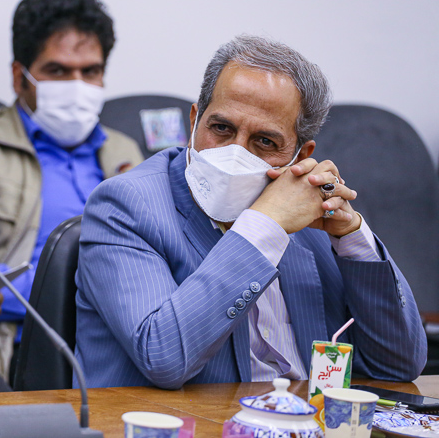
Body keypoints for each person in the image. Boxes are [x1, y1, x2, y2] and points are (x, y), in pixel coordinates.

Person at [75, 35, 427, 389]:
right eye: (221, 128)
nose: (235, 153)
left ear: (300, 156)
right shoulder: (125, 205)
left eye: (265, 141)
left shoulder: (309, 211)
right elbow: (163, 357)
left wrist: (352, 238)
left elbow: (397, 364)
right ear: (195, 121)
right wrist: (265, 225)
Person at [0, 0, 144, 377]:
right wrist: (91, 296)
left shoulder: (124, 151)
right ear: (18, 77)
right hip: (22, 350)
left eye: (90, 71)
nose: (76, 85)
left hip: (122, 348)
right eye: (57, 71)